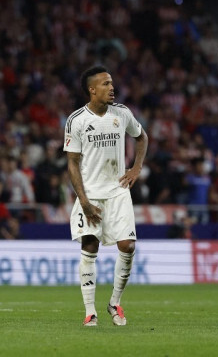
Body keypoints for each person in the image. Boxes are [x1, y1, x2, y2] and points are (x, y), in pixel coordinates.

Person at [64, 66, 148, 327]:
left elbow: (141, 136)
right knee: (89, 247)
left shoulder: (122, 113)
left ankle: (115, 302)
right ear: (92, 89)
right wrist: (85, 201)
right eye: (105, 84)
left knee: (128, 246)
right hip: (90, 195)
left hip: (118, 192)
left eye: (111, 83)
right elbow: (72, 163)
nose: (112, 88)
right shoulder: (76, 120)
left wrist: (136, 168)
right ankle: (90, 311)